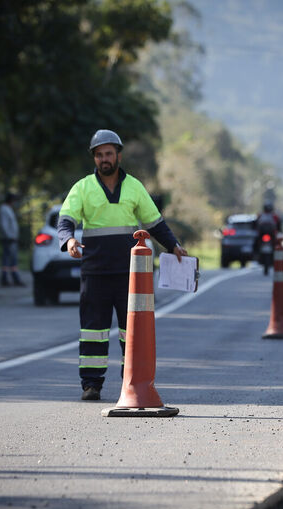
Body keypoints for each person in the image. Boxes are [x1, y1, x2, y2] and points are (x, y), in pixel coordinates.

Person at [57, 129, 187, 401]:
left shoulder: (135, 187)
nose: (104, 159)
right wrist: (68, 240)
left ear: (118, 154)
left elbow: (155, 223)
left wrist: (173, 246)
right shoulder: (82, 188)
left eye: (108, 153)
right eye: (99, 155)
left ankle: (131, 382)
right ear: (95, 158)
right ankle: (91, 385)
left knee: (132, 333)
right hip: (95, 272)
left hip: (130, 275)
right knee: (93, 331)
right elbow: (66, 218)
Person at [0, 192, 25, 287]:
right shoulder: (4, 209)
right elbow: (4, 224)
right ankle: (11, 278)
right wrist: (9, 236)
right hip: (9, 238)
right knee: (11, 258)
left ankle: (9, 278)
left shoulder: (8, 209)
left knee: (10, 258)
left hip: (12, 238)